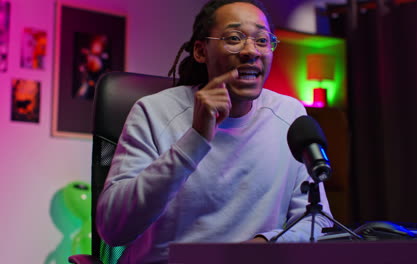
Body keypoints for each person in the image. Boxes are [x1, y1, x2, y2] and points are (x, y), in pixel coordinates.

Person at [96, 0, 332, 263]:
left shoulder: (290, 114)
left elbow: (317, 220)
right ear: (201, 51)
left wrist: (265, 244)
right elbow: (112, 229)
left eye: (262, 40)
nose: (250, 51)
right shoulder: (154, 112)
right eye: (234, 38)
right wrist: (195, 139)